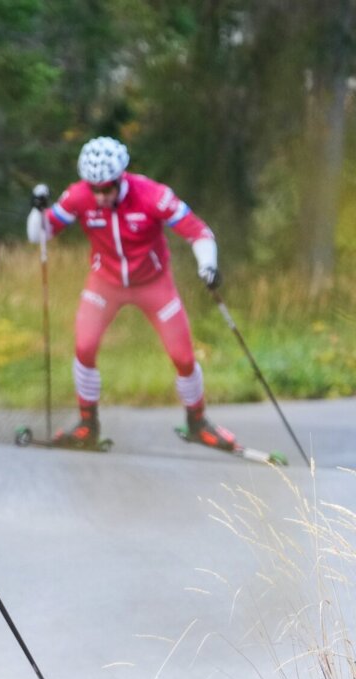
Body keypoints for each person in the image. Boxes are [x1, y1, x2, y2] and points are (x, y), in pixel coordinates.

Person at [26, 136, 238, 451]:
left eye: (107, 189)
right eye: (94, 189)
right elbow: (39, 234)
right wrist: (37, 209)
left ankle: (198, 423)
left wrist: (207, 265)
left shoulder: (152, 195)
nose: (100, 196)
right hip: (104, 283)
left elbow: (198, 231)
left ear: (121, 178)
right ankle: (88, 425)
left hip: (153, 283)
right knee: (84, 346)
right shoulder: (79, 195)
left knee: (182, 356)